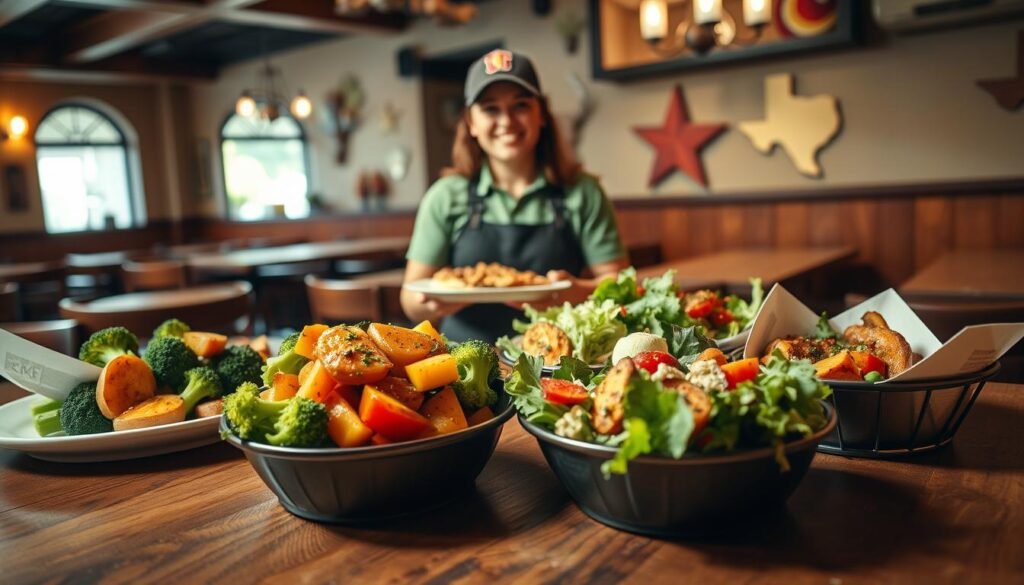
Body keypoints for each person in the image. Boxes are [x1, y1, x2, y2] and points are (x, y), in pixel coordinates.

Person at [401, 49, 629, 342]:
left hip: (556, 361)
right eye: (490, 109)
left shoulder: (582, 192)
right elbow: (409, 300)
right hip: (461, 361)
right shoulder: (445, 195)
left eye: (520, 105)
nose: (506, 121)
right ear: (471, 122)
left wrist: (577, 292)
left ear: (541, 114)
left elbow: (620, 284)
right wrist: (430, 303)